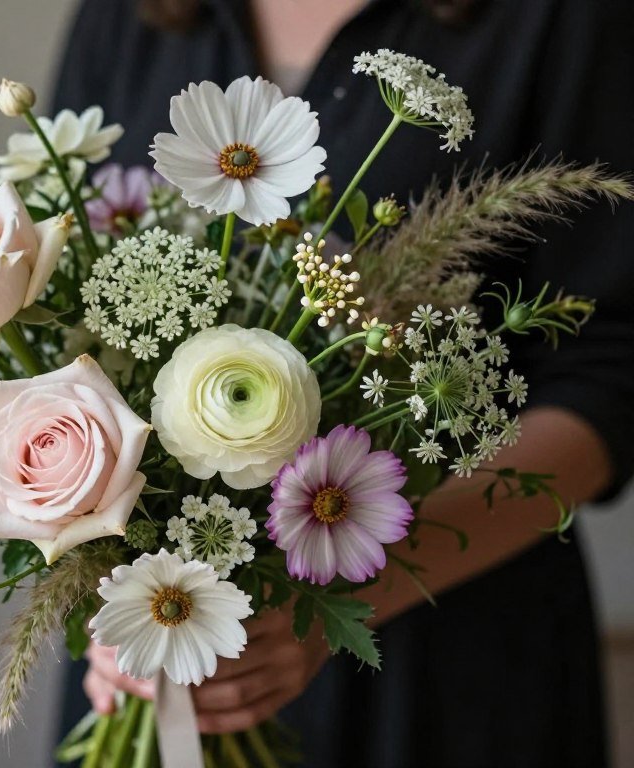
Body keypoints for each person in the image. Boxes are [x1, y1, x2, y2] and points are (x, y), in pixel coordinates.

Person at [52, 0, 634, 765]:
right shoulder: (127, 15)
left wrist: (344, 595)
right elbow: (63, 287)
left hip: (443, 659)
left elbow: (611, 375)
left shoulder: (562, 20)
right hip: (154, 651)